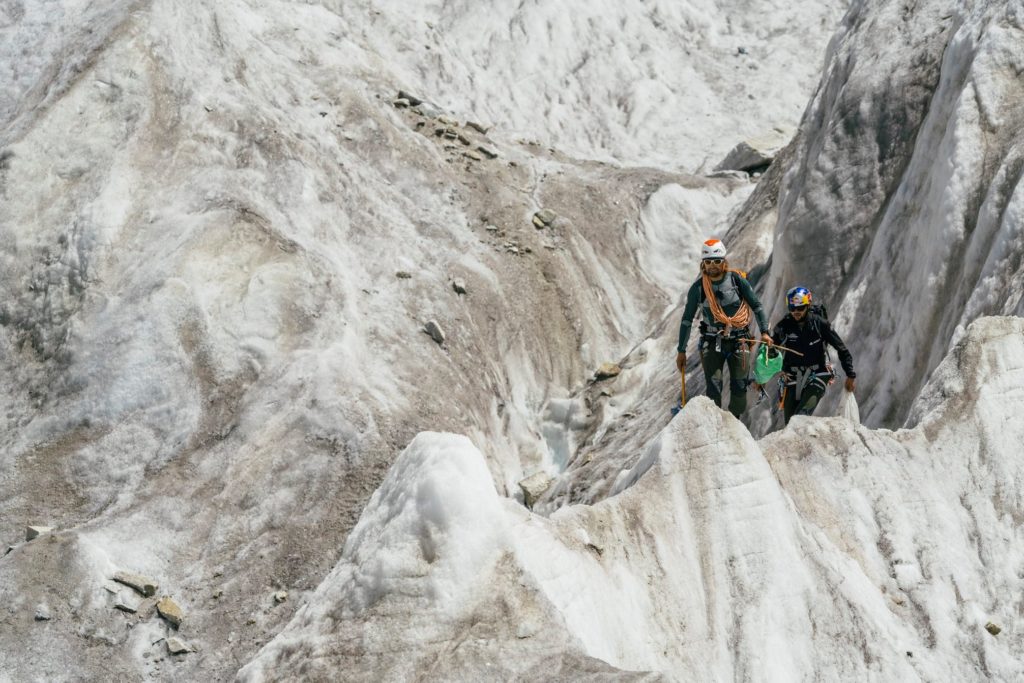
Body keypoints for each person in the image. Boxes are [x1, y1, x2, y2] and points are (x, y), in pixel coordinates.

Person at [676, 239, 771, 418]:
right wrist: (681, 350)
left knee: (739, 390)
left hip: (739, 340)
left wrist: (765, 332)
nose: (712, 266)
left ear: (724, 261)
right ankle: (717, 427)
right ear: (703, 264)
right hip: (712, 342)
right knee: (713, 390)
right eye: (708, 262)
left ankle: (733, 425)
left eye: (717, 261)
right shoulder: (698, 289)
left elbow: (756, 306)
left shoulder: (737, 281)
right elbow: (687, 319)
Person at [769, 286, 856, 424]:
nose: (796, 312)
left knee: (798, 419)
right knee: (789, 424)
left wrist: (850, 375)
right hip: (791, 378)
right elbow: (772, 351)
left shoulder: (820, 324)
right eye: (792, 308)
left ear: (807, 305)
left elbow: (841, 349)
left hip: (818, 375)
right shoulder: (784, 326)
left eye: (800, 308)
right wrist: (769, 347)